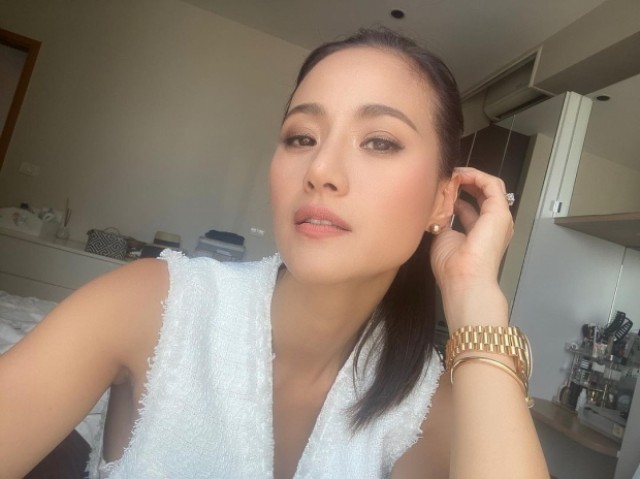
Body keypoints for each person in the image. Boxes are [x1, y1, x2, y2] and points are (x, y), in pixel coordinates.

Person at [0, 28, 548, 478]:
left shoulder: (428, 408)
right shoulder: (152, 304)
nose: (321, 170)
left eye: (379, 141)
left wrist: (475, 296)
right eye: (301, 137)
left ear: (443, 199)